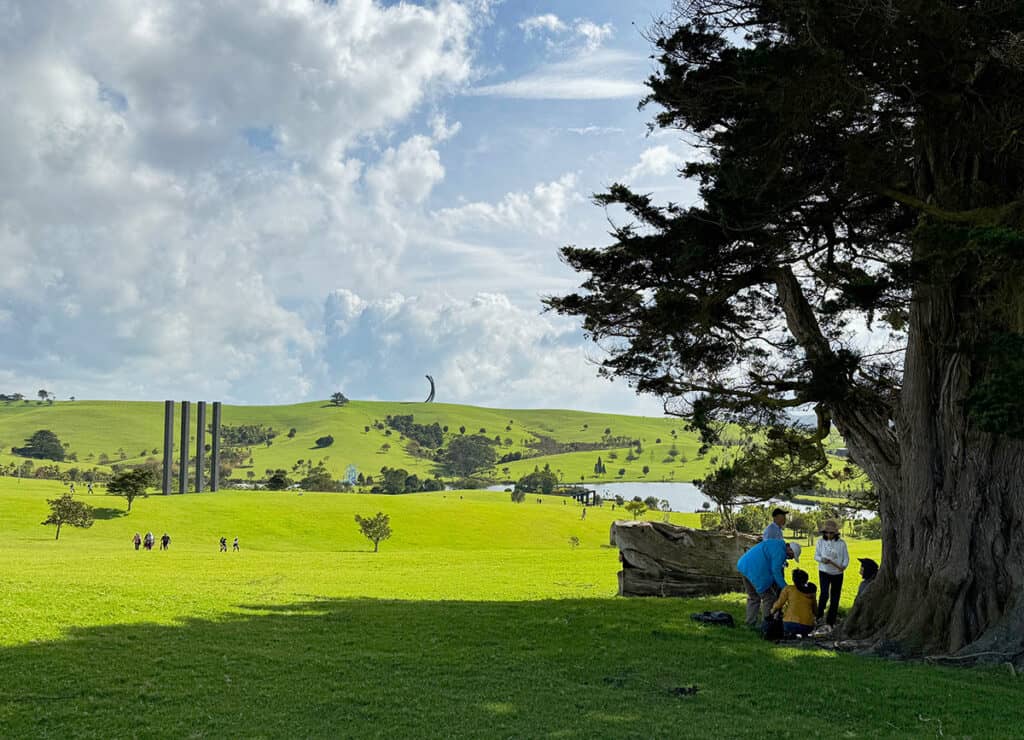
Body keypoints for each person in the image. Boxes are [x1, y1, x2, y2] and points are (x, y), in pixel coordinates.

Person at [737, 539, 802, 627]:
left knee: (753, 597)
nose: (790, 558)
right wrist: (786, 588)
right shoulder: (781, 552)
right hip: (755, 571)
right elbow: (776, 571)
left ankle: (750, 623)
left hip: (744, 565)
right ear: (790, 550)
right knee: (769, 598)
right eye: (792, 556)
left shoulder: (777, 543)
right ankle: (767, 625)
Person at [814, 519, 850, 627]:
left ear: (835, 533)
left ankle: (831, 621)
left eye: (831, 533)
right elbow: (816, 556)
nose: (828, 534)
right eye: (826, 532)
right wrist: (822, 559)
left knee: (835, 597)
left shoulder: (841, 544)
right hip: (824, 572)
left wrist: (843, 566)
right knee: (824, 594)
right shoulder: (820, 542)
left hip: (837, 574)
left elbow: (846, 558)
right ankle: (819, 616)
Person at [771, 568, 818, 637]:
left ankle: (790, 634)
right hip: (808, 626)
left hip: (790, 624)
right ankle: (803, 634)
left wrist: (772, 612)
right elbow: (815, 610)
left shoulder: (788, 589)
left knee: (786, 622)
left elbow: (779, 604)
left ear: (793, 579)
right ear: (806, 580)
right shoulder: (811, 592)